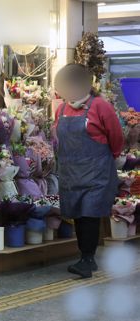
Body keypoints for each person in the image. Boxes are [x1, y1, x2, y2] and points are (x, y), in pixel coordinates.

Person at [53, 64, 124, 279]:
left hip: (96, 172)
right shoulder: (61, 109)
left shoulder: (100, 106)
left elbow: (117, 138)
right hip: (71, 173)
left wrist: (106, 160)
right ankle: (85, 256)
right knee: (78, 215)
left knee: (90, 213)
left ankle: (88, 258)